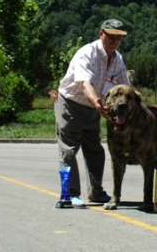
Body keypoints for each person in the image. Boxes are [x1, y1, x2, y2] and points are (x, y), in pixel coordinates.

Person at [55, 19, 130, 208]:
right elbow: (84, 84)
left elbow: (125, 86)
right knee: (69, 150)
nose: (114, 41)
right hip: (72, 104)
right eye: (111, 37)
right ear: (101, 34)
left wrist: (137, 106)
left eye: (118, 38)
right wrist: (96, 101)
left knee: (95, 149)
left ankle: (96, 192)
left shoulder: (117, 58)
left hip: (94, 108)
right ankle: (70, 194)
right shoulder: (87, 53)